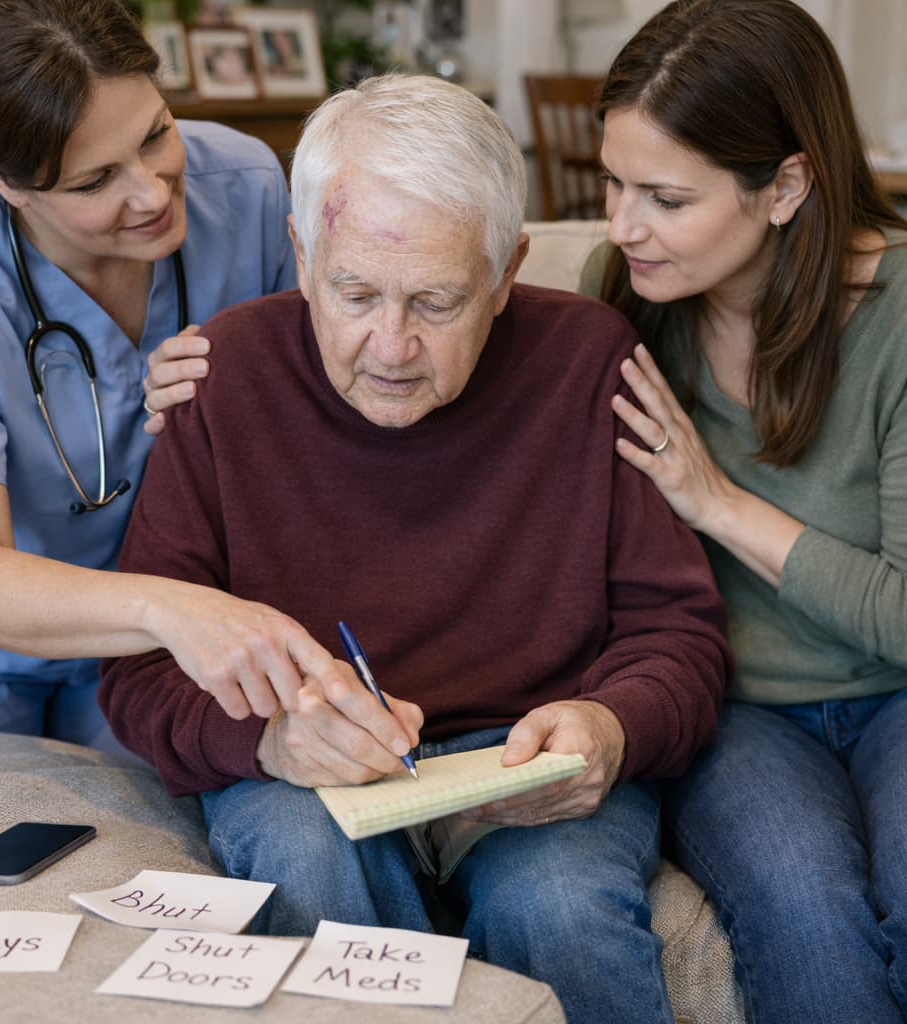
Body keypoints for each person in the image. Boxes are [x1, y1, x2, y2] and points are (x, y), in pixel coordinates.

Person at [100, 72, 732, 1023]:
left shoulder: (590, 361)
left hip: (523, 759)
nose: (389, 346)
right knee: (307, 870)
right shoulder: (221, 380)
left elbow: (679, 632)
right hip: (304, 768)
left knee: (557, 906)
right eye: (355, 293)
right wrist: (268, 739)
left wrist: (611, 727)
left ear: (508, 272)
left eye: (437, 303)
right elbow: (139, 669)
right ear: (303, 258)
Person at [580, 1, 907, 1020]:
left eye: (665, 197)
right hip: (735, 710)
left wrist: (714, 503)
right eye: (612, 183)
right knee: (806, 912)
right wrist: (232, 364)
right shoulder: (625, 298)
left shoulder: (896, 322)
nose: (621, 226)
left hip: (897, 689)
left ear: (786, 187)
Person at [0, 0, 297, 749]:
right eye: (94, 180)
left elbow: (317, 437)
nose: (151, 192)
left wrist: (244, 395)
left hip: (155, 638)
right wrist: (171, 610)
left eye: (157, 134)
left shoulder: (248, 188)